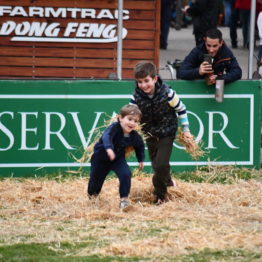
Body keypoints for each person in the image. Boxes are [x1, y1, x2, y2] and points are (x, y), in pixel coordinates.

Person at [130, 61, 193, 205]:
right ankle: (168, 180)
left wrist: (186, 130)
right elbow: (131, 112)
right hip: (150, 134)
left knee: (161, 164)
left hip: (167, 132)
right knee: (156, 164)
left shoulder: (168, 93)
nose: (143, 85)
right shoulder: (136, 97)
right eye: (140, 82)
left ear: (155, 79)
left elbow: (181, 109)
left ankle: (160, 196)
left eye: (147, 81)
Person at [87, 104, 145, 210]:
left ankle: (124, 200)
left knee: (126, 174)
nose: (132, 123)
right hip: (101, 158)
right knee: (96, 180)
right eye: (130, 119)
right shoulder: (114, 128)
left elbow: (140, 145)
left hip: (117, 159)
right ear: (120, 118)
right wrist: (109, 148)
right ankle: (93, 198)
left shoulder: (134, 135)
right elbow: (106, 136)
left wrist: (140, 159)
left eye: (136, 121)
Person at [177, 28, 242, 84]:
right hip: (197, 86)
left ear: (221, 43)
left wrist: (220, 78)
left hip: (216, 88)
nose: (211, 50)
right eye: (208, 45)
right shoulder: (197, 51)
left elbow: (237, 72)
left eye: (215, 46)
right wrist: (198, 71)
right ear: (205, 41)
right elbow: (181, 73)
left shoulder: (225, 52)